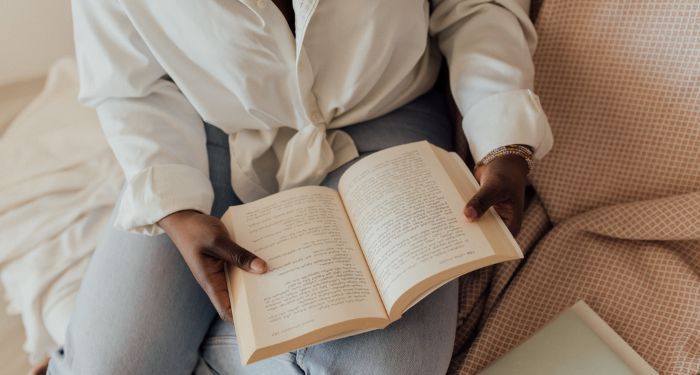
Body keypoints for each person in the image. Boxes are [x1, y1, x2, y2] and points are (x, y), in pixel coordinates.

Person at [47, 0, 552, 373]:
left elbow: (475, 7)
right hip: (203, 133)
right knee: (110, 367)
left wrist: (504, 139)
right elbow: (128, 84)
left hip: (384, 116)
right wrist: (175, 210)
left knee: (389, 368)